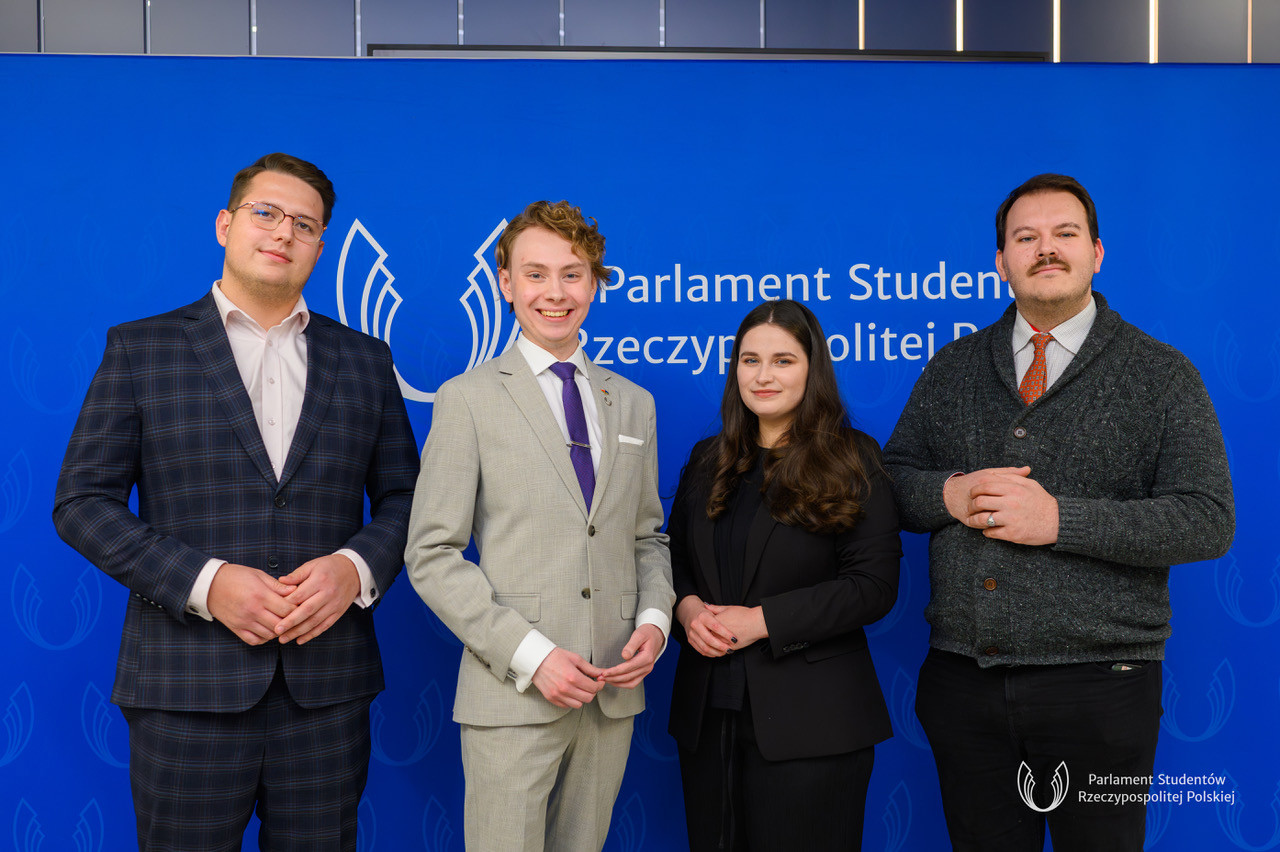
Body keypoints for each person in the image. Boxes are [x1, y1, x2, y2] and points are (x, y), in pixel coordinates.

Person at [53, 152, 420, 851]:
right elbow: (82, 502)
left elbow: (407, 498)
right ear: (225, 225)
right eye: (266, 213)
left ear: (320, 246)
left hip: (327, 691)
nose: (284, 232)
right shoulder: (141, 349)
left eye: (305, 224)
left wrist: (354, 570)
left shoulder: (366, 360)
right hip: (185, 689)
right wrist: (206, 582)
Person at [883, 173, 1235, 852]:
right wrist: (949, 494)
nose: (1046, 249)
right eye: (1027, 238)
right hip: (965, 683)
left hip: (1105, 688)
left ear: (1096, 252)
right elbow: (890, 482)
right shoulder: (952, 368)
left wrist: (1061, 522)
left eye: (1064, 233)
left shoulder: (1163, 374)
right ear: (1001, 262)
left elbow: (1207, 518)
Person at [404, 200, 675, 852]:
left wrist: (654, 621)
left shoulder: (633, 402)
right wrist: (534, 657)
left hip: (612, 693)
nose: (556, 292)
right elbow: (431, 554)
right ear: (505, 283)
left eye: (572, 274)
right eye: (536, 274)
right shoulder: (467, 399)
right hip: (513, 693)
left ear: (595, 283)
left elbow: (646, 536)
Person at [666, 299, 902, 851]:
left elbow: (872, 587)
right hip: (709, 717)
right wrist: (687, 608)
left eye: (783, 361)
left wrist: (761, 621)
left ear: (812, 369)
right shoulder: (707, 459)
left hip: (814, 724)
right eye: (750, 360)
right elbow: (670, 562)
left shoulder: (853, 456)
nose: (763, 376)